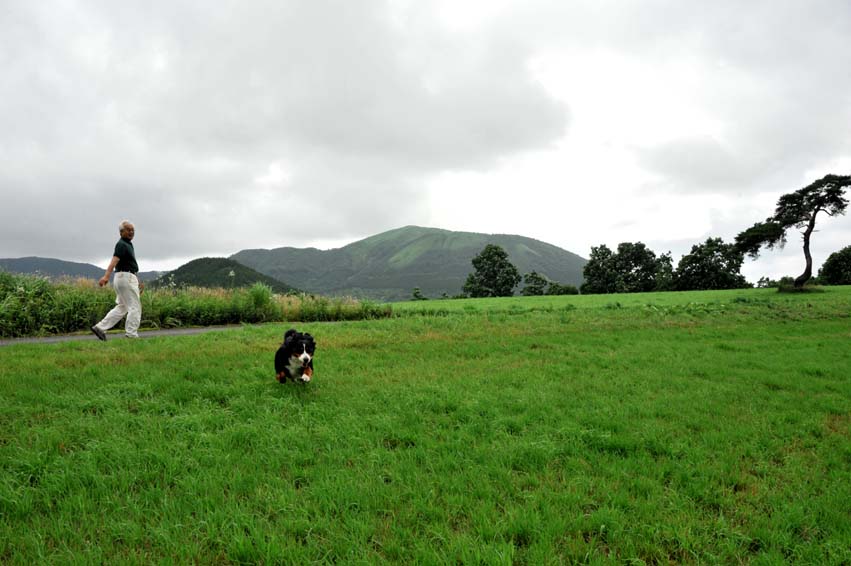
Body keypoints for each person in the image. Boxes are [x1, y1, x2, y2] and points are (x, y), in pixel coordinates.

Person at [91, 220, 144, 340]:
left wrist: (137, 280)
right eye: (128, 230)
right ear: (121, 232)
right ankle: (131, 335)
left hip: (123, 278)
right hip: (126, 278)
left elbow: (129, 265)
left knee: (122, 307)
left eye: (132, 230)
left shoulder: (127, 244)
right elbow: (114, 261)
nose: (131, 232)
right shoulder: (122, 244)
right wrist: (106, 276)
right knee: (135, 307)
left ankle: (100, 328)